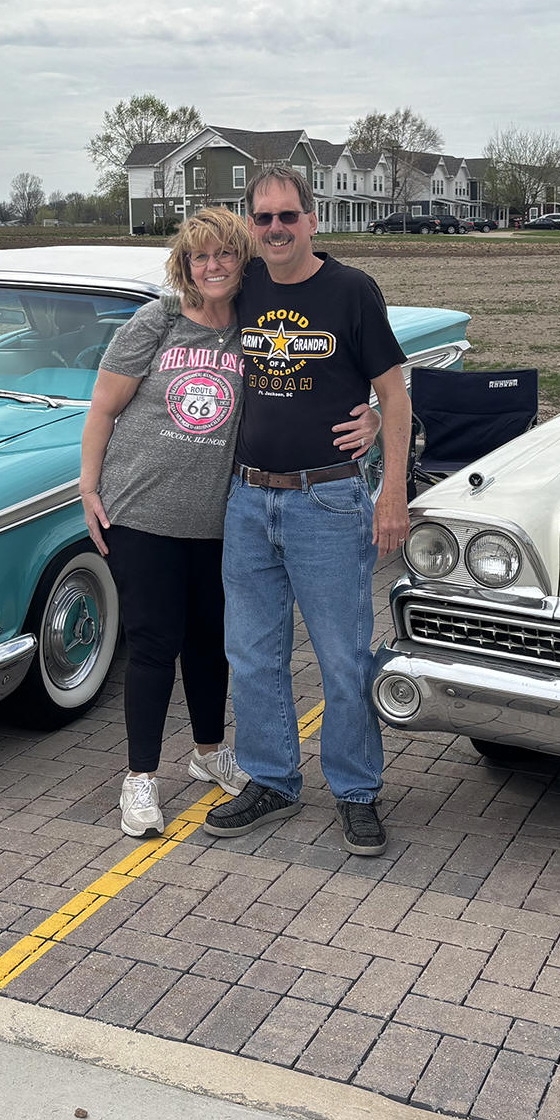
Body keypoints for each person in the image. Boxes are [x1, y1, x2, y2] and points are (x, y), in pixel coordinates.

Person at [79, 207, 380, 838]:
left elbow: (320, 376)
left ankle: (211, 752)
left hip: (222, 516)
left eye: (224, 254)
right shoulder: (157, 321)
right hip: (143, 511)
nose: (212, 266)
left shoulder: (254, 320)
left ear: (243, 261)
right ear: (184, 265)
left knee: (216, 644)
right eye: (200, 256)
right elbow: (103, 408)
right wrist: (88, 487)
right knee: (154, 644)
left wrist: (373, 414)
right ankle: (140, 778)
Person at [204, 164, 413, 856]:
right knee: (252, 653)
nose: (276, 228)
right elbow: (186, 317)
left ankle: (356, 791)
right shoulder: (243, 285)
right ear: (251, 225)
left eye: (287, 215)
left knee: (343, 656)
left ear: (312, 220)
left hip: (327, 499)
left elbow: (395, 392)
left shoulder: (350, 291)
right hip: (247, 499)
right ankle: (271, 779)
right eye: (263, 218)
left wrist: (391, 489)